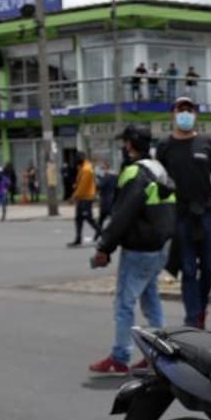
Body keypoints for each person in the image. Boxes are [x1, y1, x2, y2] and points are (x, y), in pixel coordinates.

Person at [87, 124, 176, 376]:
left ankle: (120, 356)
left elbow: (122, 215)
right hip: (160, 247)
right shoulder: (159, 169)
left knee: (125, 303)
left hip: (140, 249)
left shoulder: (134, 173)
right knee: (150, 298)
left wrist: (104, 246)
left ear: (130, 144)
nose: (123, 148)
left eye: (124, 143)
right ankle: (159, 354)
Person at [155, 95, 211, 329]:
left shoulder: (206, 143)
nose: (185, 113)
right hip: (180, 215)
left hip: (206, 212)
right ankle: (193, 318)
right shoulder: (164, 146)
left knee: (209, 267)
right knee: (188, 268)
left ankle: (201, 309)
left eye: (189, 109)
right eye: (181, 109)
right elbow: (158, 179)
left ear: (195, 114)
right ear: (173, 114)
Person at [66, 155, 100, 247]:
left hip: (86, 197)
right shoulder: (84, 167)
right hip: (82, 197)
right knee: (79, 219)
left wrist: (73, 197)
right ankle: (78, 238)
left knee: (88, 217)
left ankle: (103, 234)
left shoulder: (86, 170)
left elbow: (82, 187)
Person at [95, 159, 117, 238]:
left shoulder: (106, 176)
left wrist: (98, 181)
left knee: (103, 219)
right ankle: (97, 235)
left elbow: (100, 186)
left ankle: (100, 234)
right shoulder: (114, 176)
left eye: (102, 168)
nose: (101, 169)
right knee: (104, 219)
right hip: (111, 199)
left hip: (105, 200)